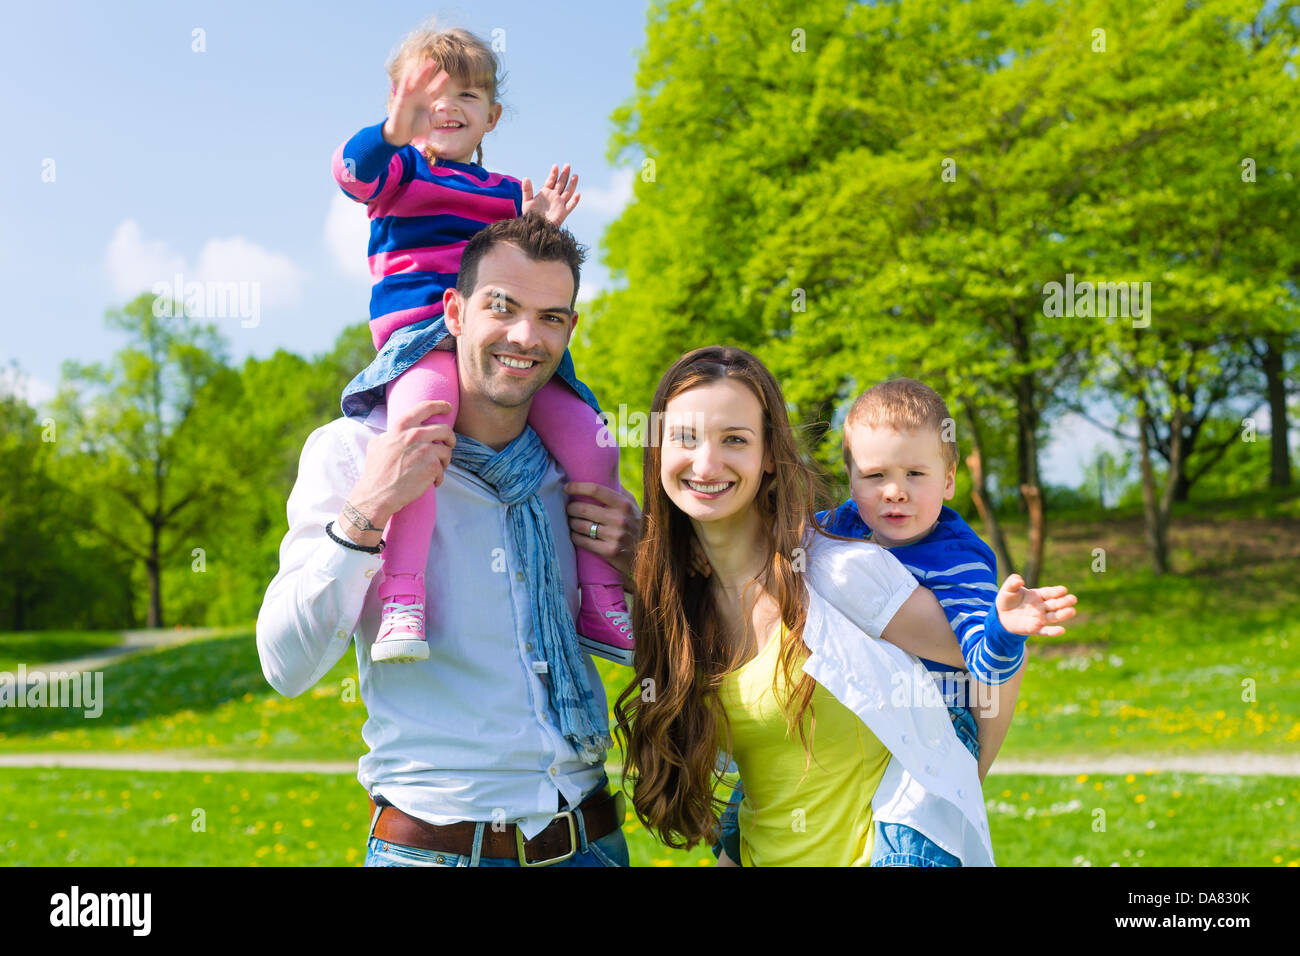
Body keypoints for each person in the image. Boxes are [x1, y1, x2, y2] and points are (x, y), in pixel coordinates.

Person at [256, 215, 639, 867]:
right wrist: (368, 510)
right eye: (502, 307)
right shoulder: (356, 453)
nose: (525, 336)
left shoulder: (577, 468)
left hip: (590, 841)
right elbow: (285, 668)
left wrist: (644, 565)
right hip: (439, 849)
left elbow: (680, 647)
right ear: (454, 312)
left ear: (570, 330)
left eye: (550, 316)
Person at [615, 346, 1002, 867]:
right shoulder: (681, 604)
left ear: (769, 455)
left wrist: (951, 800)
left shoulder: (833, 571)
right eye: (685, 438)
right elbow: (762, 788)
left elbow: (997, 655)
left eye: (735, 439)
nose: (707, 463)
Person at [331, 21, 632, 666]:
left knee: (592, 438)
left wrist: (540, 227)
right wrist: (390, 129)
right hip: (422, 340)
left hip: (498, 339)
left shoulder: (506, 196)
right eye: (429, 95)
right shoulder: (400, 170)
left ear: (491, 116)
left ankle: (603, 599)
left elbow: (525, 271)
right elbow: (351, 173)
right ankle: (403, 597)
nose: (448, 107)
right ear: (400, 101)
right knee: (422, 426)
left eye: (468, 97)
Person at [713, 376, 1079, 865]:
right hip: (862, 708)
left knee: (911, 845)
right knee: (748, 804)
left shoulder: (957, 557)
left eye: (915, 474)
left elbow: (984, 665)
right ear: (850, 480)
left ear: (949, 480)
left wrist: (1003, 629)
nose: (895, 492)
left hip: (935, 722)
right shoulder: (838, 528)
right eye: (874, 476)